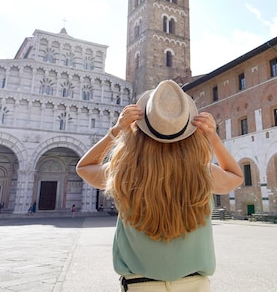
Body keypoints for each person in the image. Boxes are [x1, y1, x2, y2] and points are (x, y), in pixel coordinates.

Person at [76, 80, 243, 292]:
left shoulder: (124, 171)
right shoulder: (202, 172)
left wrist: (117, 130)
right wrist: (213, 138)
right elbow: (235, 176)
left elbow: (84, 167)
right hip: (195, 286)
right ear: (189, 131)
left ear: (140, 129)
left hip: (140, 285)